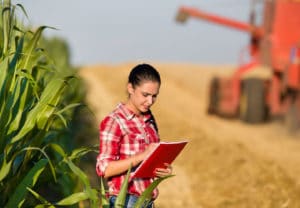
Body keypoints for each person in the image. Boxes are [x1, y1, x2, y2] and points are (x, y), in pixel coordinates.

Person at [96, 63, 173, 208]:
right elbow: (104, 169)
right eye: (145, 95)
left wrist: (162, 169)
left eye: (154, 96)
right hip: (124, 202)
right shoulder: (114, 121)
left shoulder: (149, 122)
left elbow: (148, 164)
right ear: (130, 88)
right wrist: (141, 156)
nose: (150, 101)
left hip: (147, 201)